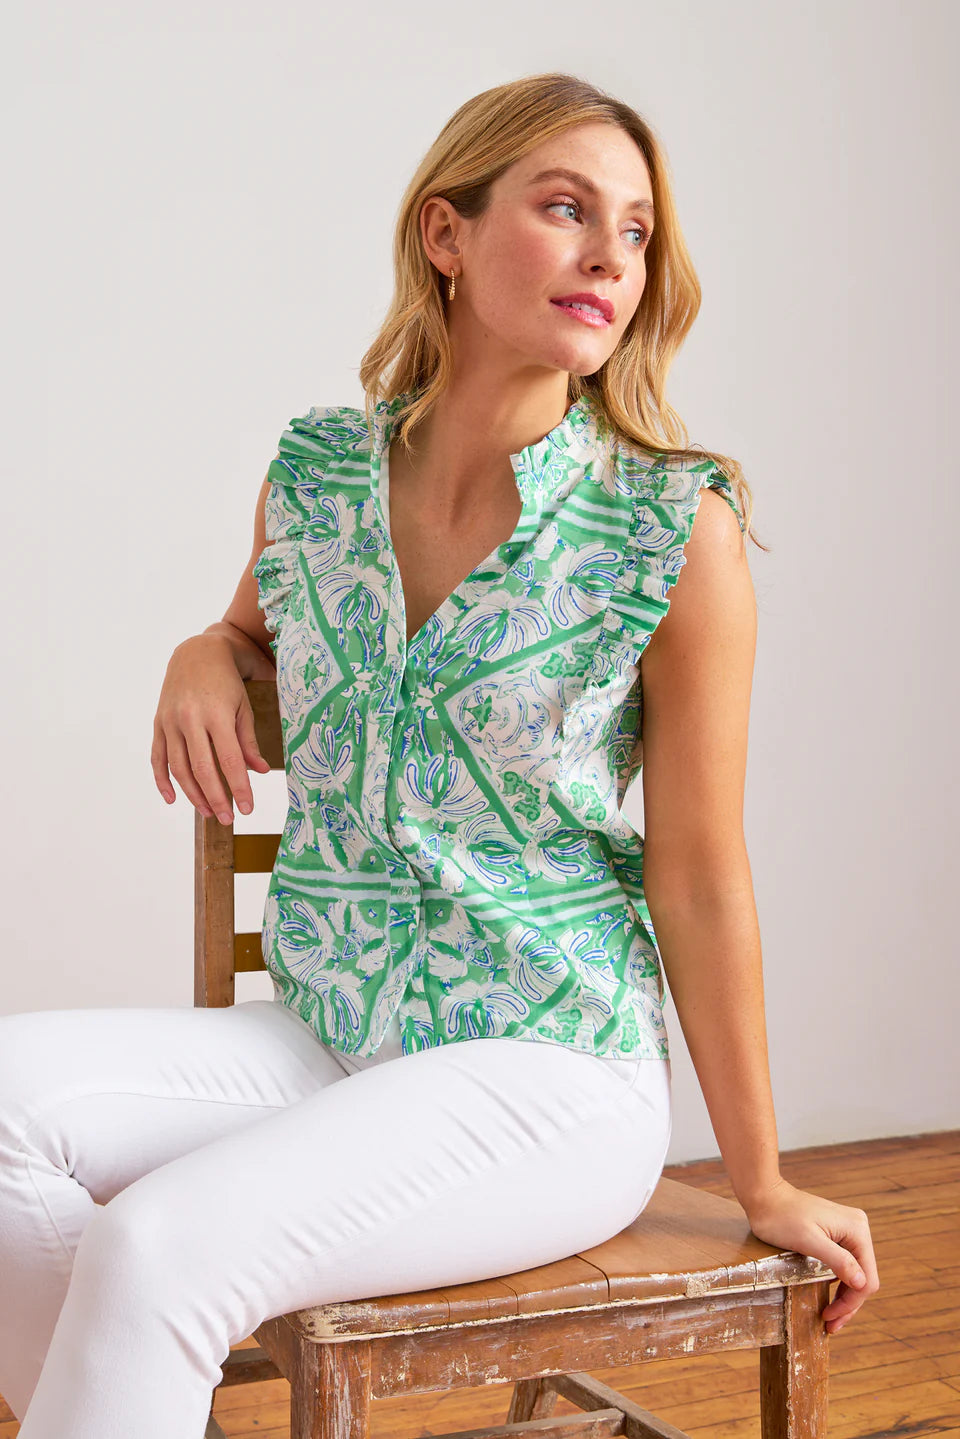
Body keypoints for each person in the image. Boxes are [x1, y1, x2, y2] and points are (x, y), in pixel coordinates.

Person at [0, 72, 878, 1438]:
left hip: (548, 1065)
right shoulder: (317, 479)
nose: (611, 256)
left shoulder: (671, 530)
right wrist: (201, 650)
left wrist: (761, 1177)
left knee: (153, 1250)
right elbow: (247, 635)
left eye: (636, 231)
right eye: (567, 208)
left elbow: (702, 875)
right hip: (332, 1031)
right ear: (445, 234)